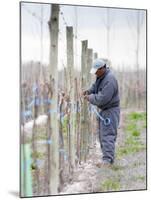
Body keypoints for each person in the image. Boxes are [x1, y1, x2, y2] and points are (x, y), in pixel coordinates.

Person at [83, 58, 120, 167]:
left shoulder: (110, 80)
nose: (95, 73)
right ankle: (107, 159)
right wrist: (88, 91)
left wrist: (90, 97)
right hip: (105, 111)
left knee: (108, 135)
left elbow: (103, 98)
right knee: (103, 135)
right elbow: (95, 87)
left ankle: (107, 161)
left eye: (96, 71)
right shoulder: (101, 77)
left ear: (102, 68)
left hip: (110, 111)